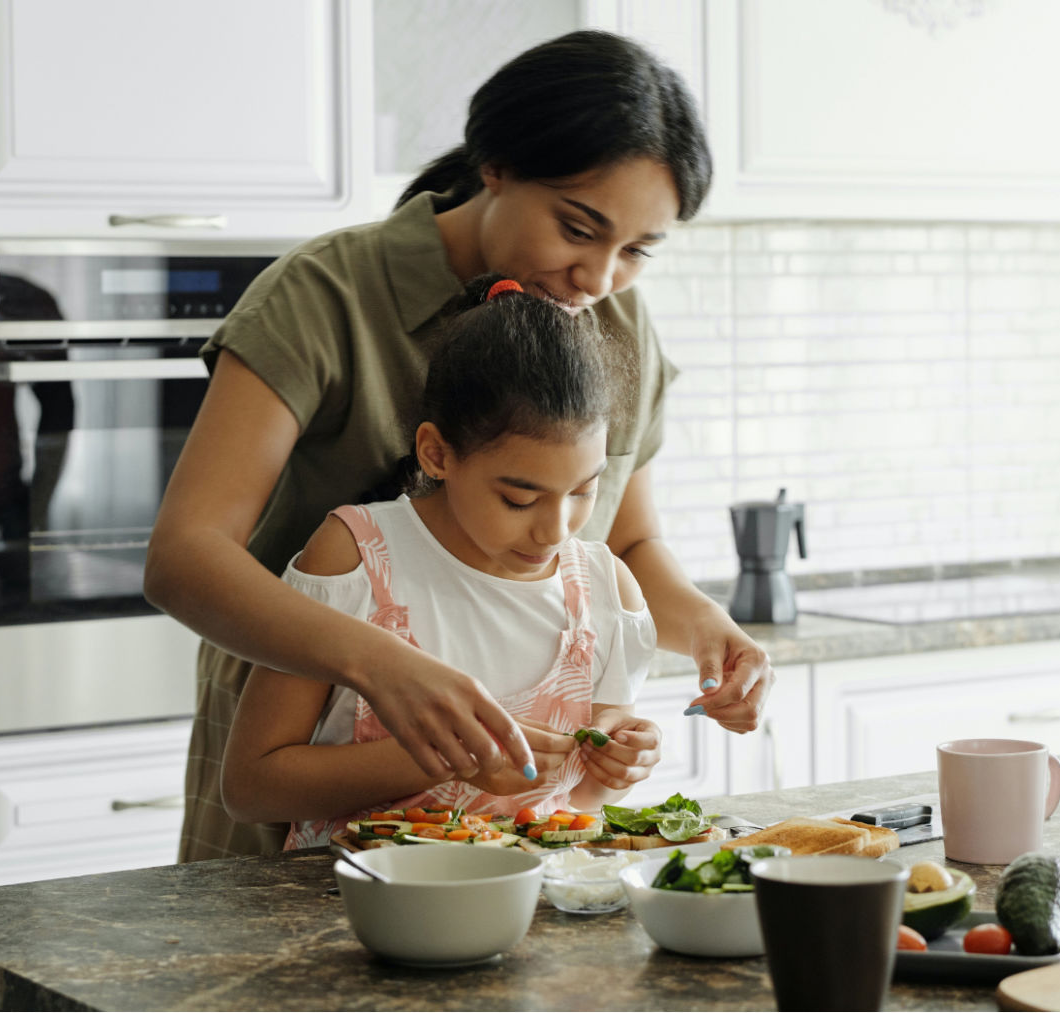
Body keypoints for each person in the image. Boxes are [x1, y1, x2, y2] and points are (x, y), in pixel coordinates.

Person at [145, 29, 774, 860]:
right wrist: (382, 665)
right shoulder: (324, 294)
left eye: (635, 252)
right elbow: (184, 556)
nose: (599, 277)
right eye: (578, 228)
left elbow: (623, 540)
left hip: (506, 825)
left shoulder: (613, 320)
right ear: (497, 166)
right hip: (303, 747)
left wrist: (704, 629)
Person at [222, 276, 662, 846]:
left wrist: (618, 769)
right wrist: (446, 758)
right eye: (519, 499)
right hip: (351, 910)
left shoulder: (606, 592)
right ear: (436, 453)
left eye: (583, 490)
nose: (556, 529)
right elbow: (251, 788)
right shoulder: (355, 558)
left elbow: (580, 802)